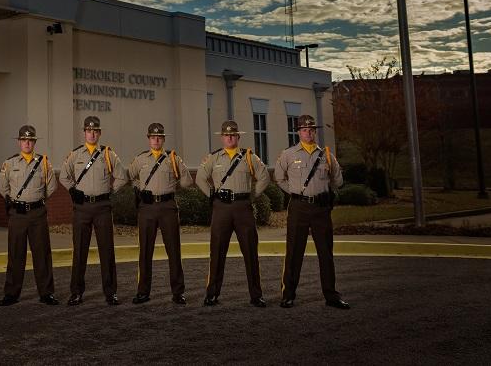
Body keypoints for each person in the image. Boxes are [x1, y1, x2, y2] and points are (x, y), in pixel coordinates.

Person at [274, 114, 350, 309]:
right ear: (298, 132)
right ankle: (288, 295)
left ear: (315, 132)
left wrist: (325, 192)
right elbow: (279, 178)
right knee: (294, 251)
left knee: (326, 252)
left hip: (321, 209)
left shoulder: (327, 155)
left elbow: (338, 180)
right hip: (299, 207)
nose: (308, 133)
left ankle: (331, 296)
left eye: (311, 129)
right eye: (304, 129)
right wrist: (295, 192)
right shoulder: (288, 154)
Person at [196, 120, 270, 307]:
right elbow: (200, 178)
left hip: (243, 208)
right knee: (217, 252)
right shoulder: (213, 158)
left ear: (238, 137)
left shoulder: (249, 157)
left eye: (233, 135)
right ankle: (212, 293)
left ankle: (256, 295)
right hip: (221, 208)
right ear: (222, 138)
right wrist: (212, 196)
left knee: (250, 252)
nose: (229, 137)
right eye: (226, 135)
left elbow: (264, 177)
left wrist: (251, 196)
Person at [59, 115, 127, 306]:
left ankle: (110, 292)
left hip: (102, 208)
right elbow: (64, 177)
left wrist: (110, 191)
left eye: (95, 131)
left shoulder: (108, 154)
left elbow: (122, 177)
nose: (92, 134)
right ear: (84, 133)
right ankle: (76, 292)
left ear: (99, 133)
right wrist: (73, 190)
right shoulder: (75, 155)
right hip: (81, 208)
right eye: (89, 130)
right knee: (80, 251)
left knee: (107, 250)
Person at [126, 122, 193, 305]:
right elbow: (129, 177)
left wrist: (171, 187)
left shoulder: (173, 159)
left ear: (163, 139)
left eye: (159, 137)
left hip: (168, 207)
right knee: (145, 252)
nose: (156, 140)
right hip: (147, 208)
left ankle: (178, 292)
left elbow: (187, 181)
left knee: (173, 251)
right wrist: (139, 188)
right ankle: (143, 292)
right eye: (153, 137)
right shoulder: (140, 159)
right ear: (148, 139)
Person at [0, 125, 59, 306]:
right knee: (16, 254)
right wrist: (17, 201)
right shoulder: (9, 163)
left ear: (34, 142)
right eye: (24, 140)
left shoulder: (44, 163)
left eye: (30, 140)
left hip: (38, 213)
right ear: (19, 142)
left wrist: (37, 200)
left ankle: (46, 293)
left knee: (42, 254)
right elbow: (2, 188)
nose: (27, 143)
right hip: (17, 214)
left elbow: (52, 186)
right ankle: (11, 294)